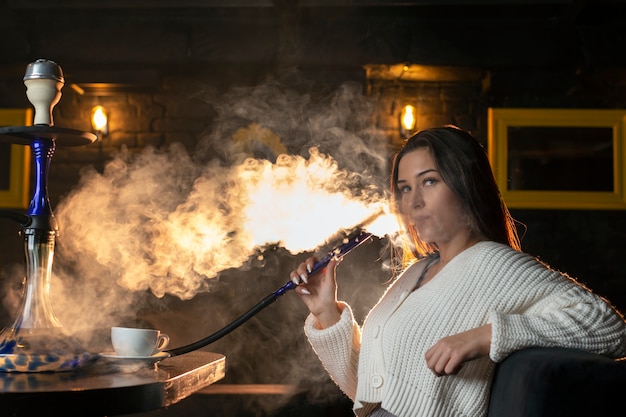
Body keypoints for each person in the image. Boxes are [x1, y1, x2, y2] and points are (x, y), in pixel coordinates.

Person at [288, 125, 626, 417]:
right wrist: (326, 312)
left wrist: (487, 336)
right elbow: (368, 390)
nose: (413, 201)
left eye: (430, 181)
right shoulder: (415, 273)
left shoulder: (499, 264)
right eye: (405, 188)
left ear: (468, 186)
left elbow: (610, 328)